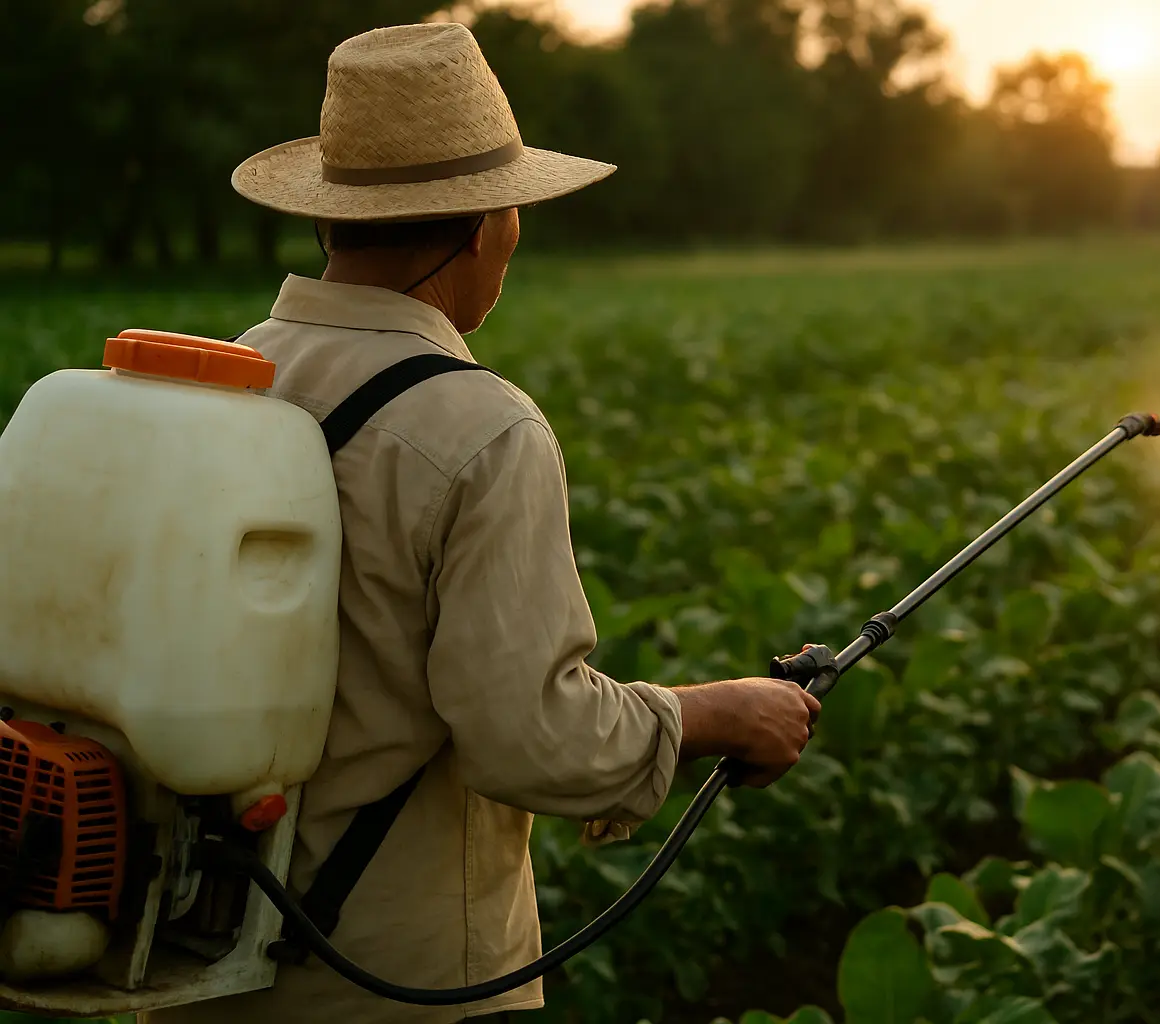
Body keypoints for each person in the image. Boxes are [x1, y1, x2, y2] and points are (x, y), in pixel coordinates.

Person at [146, 21, 819, 1024]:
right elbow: (529, 738)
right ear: (485, 225)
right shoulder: (481, 427)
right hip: (395, 982)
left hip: (197, 960)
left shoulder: (228, 378)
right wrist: (718, 712)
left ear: (332, 221)